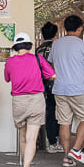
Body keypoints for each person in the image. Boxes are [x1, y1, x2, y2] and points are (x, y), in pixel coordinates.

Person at [4, 32, 56, 167]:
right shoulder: (38, 59)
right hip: (35, 100)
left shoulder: (10, 61)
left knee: (23, 136)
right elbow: (52, 75)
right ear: (29, 45)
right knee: (31, 138)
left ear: (15, 46)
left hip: (18, 101)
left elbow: (7, 78)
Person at [48, 15, 84, 167]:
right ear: (80, 28)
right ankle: (76, 149)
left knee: (64, 122)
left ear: (64, 27)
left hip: (59, 88)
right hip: (77, 88)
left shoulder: (56, 44)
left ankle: (66, 157)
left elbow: (51, 64)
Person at [35, 22, 62, 153]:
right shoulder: (57, 47)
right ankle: (60, 141)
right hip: (57, 84)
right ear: (56, 34)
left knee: (49, 113)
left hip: (42, 85)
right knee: (61, 113)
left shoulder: (38, 49)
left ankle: (52, 142)